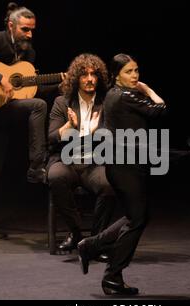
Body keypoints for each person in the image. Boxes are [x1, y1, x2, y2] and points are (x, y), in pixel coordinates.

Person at [0, 3, 59, 240]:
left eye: (32, 30)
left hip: (4, 110)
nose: (29, 35)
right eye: (25, 29)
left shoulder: (29, 54)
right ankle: (37, 165)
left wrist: (59, 85)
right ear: (11, 26)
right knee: (38, 107)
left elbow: (29, 90)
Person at [77, 53, 168, 295]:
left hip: (122, 164)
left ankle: (91, 245)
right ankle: (112, 276)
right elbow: (160, 110)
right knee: (137, 219)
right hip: (125, 165)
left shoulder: (112, 96)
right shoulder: (127, 95)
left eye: (137, 70)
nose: (135, 76)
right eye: (129, 71)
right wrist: (148, 90)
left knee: (135, 216)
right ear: (117, 75)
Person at [47, 54, 116, 256]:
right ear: (76, 78)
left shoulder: (106, 103)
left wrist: (95, 131)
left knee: (109, 184)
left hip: (93, 162)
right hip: (66, 159)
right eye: (84, 74)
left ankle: (95, 241)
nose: (89, 79)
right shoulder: (62, 102)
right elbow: (51, 138)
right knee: (56, 177)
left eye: (94, 74)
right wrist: (69, 126)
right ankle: (76, 233)